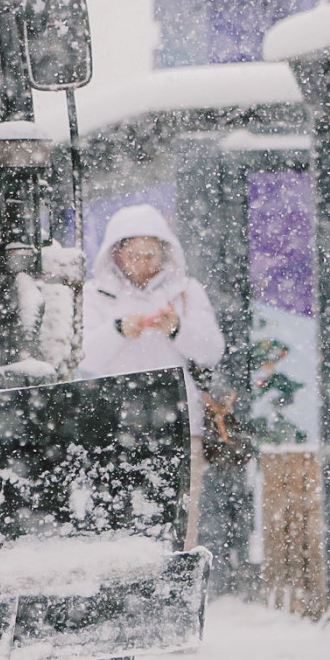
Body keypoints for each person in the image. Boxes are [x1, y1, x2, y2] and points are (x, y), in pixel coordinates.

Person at [81, 204, 229, 558]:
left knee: (180, 519)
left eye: (151, 254)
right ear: (116, 254)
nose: (144, 263)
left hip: (180, 423)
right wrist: (118, 330)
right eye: (134, 254)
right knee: (118, 517)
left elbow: (212, 350)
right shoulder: (94, 295)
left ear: (166, 252)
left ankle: (178, 585)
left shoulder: (187, 292)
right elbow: (83, 357)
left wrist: (177, 328)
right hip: (115, 425)